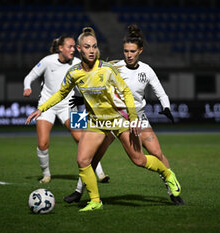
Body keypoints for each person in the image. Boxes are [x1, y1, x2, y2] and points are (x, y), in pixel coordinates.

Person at [26, 27, 181, 212]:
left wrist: (133, 117)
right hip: (95, 121)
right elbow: (61, 93)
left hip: (118, 117)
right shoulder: (72, 71)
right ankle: (94, 200)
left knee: (138, 159)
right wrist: (41, 108)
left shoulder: (108, 69)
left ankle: (168, 174)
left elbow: (125, 91)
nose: (91, 50)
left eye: (94, 46)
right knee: (83, 160)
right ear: (79, 48)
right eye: (87, 47)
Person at [23, 35, 109, 183]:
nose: (72, 49)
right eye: (69, 46)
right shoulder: (47, 61)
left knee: (83, 139)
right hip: (47, 105)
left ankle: (100, 173)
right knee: (43, 143)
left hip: (70, 105)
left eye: (73, 46)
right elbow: (29, 77)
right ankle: (46, 175)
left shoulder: (77, 63)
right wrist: (27, 87)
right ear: (60, 48)